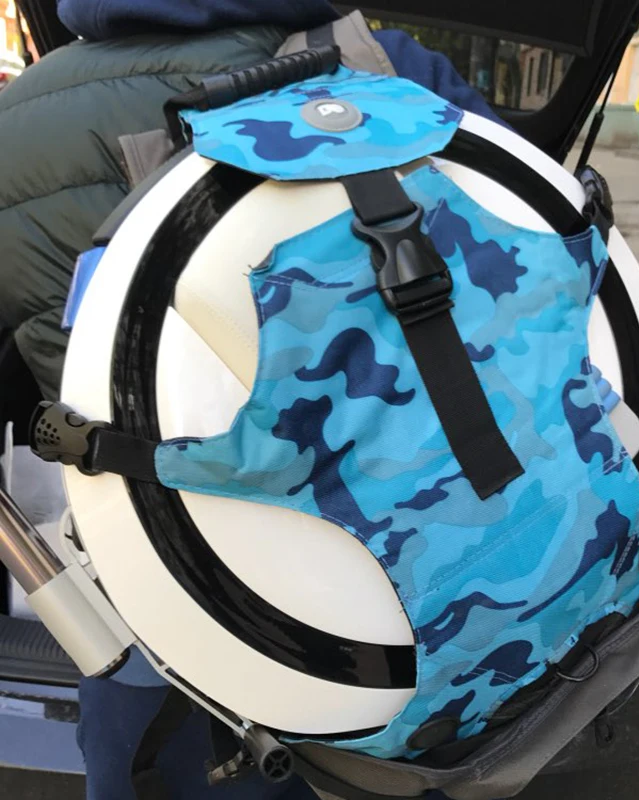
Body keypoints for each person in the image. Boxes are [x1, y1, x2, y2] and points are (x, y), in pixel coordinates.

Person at [0, 1, 501, 797]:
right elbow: (537, 284)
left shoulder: (17, 128)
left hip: (167, 612)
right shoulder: (381, 63)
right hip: (427, 590)